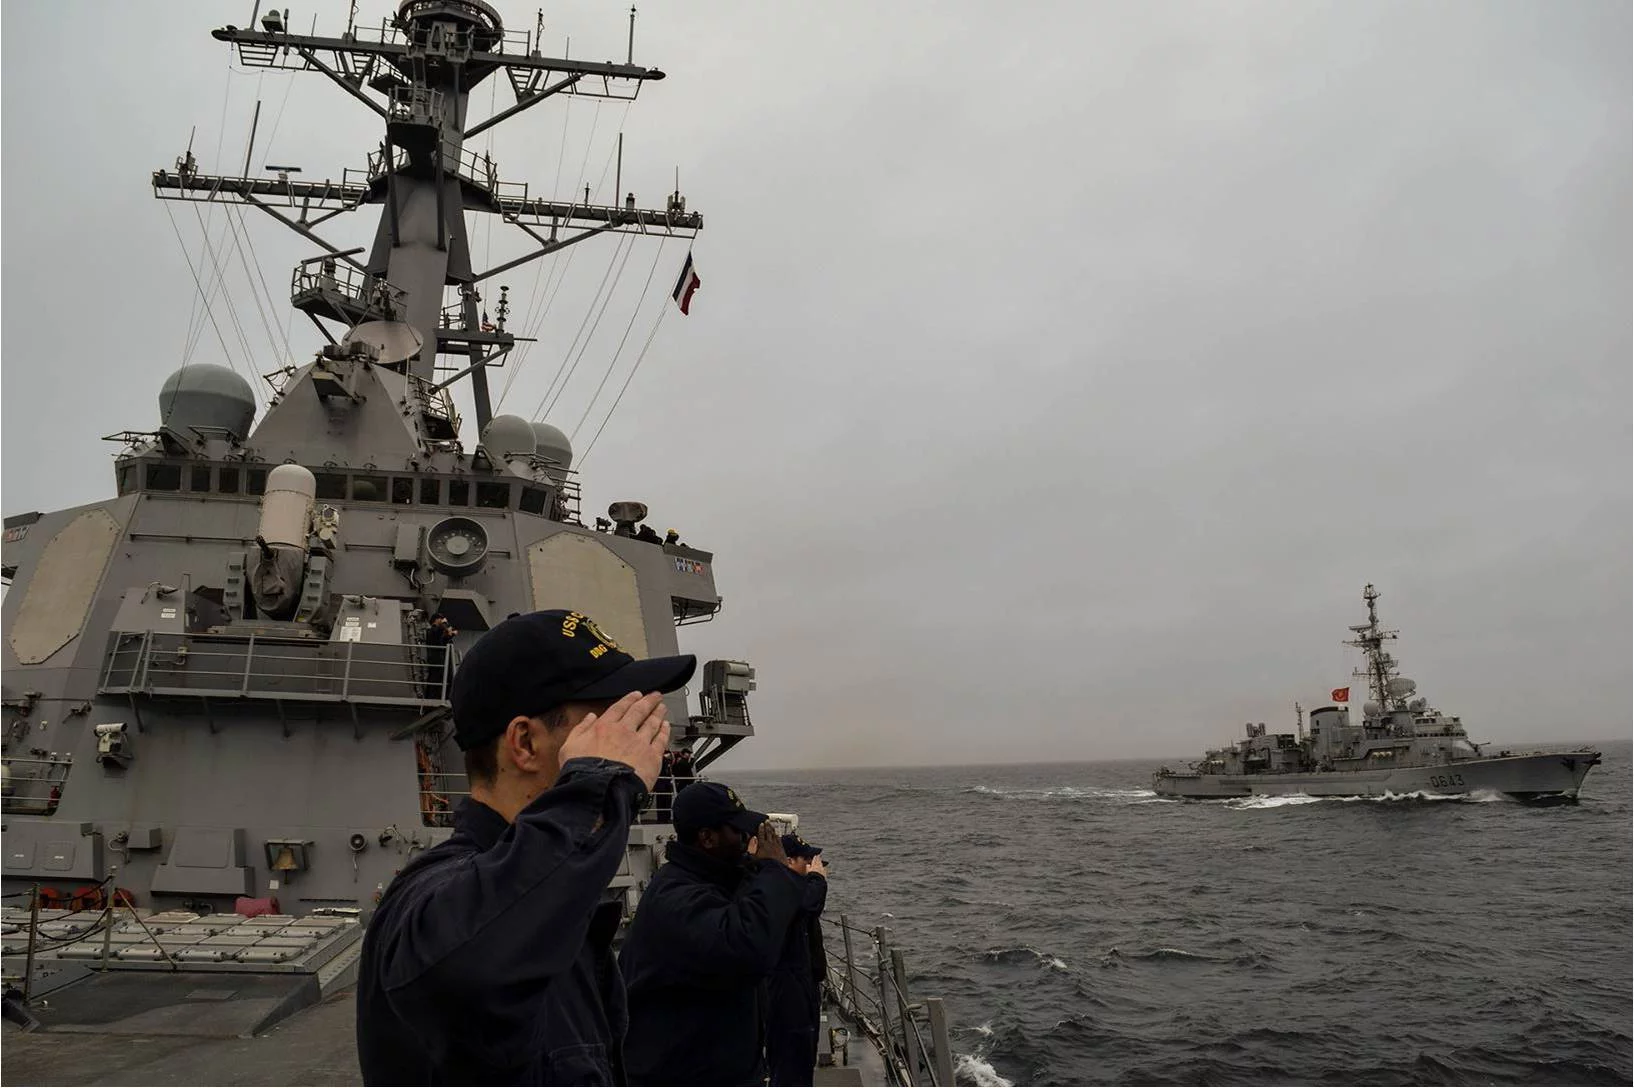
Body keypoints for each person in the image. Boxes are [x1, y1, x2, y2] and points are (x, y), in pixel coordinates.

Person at [355, 609, 696, 1085]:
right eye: (608, 720)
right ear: (525, 743)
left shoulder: (555, 901)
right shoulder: (432, 894)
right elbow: (464, 964)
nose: (636, 736)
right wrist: (597, 785)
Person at [618, 782, 808, 1086]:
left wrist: (762, 873)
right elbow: (747, 950)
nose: (747, 838)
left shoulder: (706, 881)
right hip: (682, 1074)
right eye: (736, 830)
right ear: (706, 837)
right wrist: (773, 871)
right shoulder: (675, 898)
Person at [767, 835, 830, 1086]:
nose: (812, 865)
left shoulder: (788, 890)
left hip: (802, 986)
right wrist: (817, 879)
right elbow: (807, 905)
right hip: (788, 992)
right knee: (791, 1061)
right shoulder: (781, 892)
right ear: (789, 861)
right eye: (807, 860)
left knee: (801, 1061)